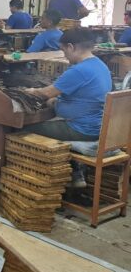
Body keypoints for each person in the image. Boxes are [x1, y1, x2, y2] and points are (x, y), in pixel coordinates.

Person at [23, 28, 112, 187]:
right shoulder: (100, 65)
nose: (64, 55)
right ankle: (75, 173)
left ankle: (46, 177)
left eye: (64, 50)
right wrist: (56, 102)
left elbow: (44, 94)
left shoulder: (79, 70)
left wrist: (29, 91)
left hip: (81, 129)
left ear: (71, 47)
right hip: (97, 126)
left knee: (22, 127)